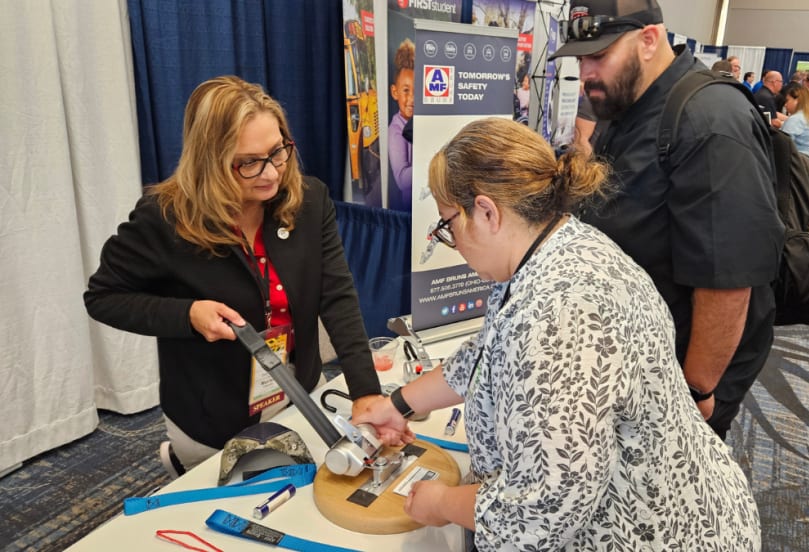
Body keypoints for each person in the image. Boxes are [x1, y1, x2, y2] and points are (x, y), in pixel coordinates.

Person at [353, 117, 762, 550]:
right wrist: (398, 404)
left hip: (653, 532)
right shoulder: (560, 247)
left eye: (449, 225)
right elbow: (485, 355)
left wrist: (440, 503)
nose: (451, 239)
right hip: (683, 502)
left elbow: (541, 510)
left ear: (488, 211)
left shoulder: (555, 316)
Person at [84, 76, 385, 474]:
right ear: (210, 160)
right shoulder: (164, 218)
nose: (271, 173)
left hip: (296, 391)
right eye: (248, 162)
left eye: (277, 152)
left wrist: (365, 391)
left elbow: (337, 296)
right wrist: (187, 315)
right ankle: (178, 462)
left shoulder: (309, 200)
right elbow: (103, 297)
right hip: (211, 415)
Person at [550, 0, 784, 439]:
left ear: (649, 40)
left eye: (599, 56)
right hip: (637, 348)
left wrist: (693, 391)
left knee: (668, 487)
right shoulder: (630, 104)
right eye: (581, 58)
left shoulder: (710, 121)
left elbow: (728, 283)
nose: (586, 73)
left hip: (686, 367)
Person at [389, 38, 415, 211]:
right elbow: (402, 180)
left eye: (416, 90)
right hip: (409, 212)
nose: (412, 99)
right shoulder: (396, 130)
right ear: (395, 92)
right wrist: (434, 159)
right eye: (406, 90)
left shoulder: (420, 122)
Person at [781, 82, 809, 167]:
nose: (785, 105)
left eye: (787, 100)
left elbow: (783, 145)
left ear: (797, 100)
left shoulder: (795, 119)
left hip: (801, 164)